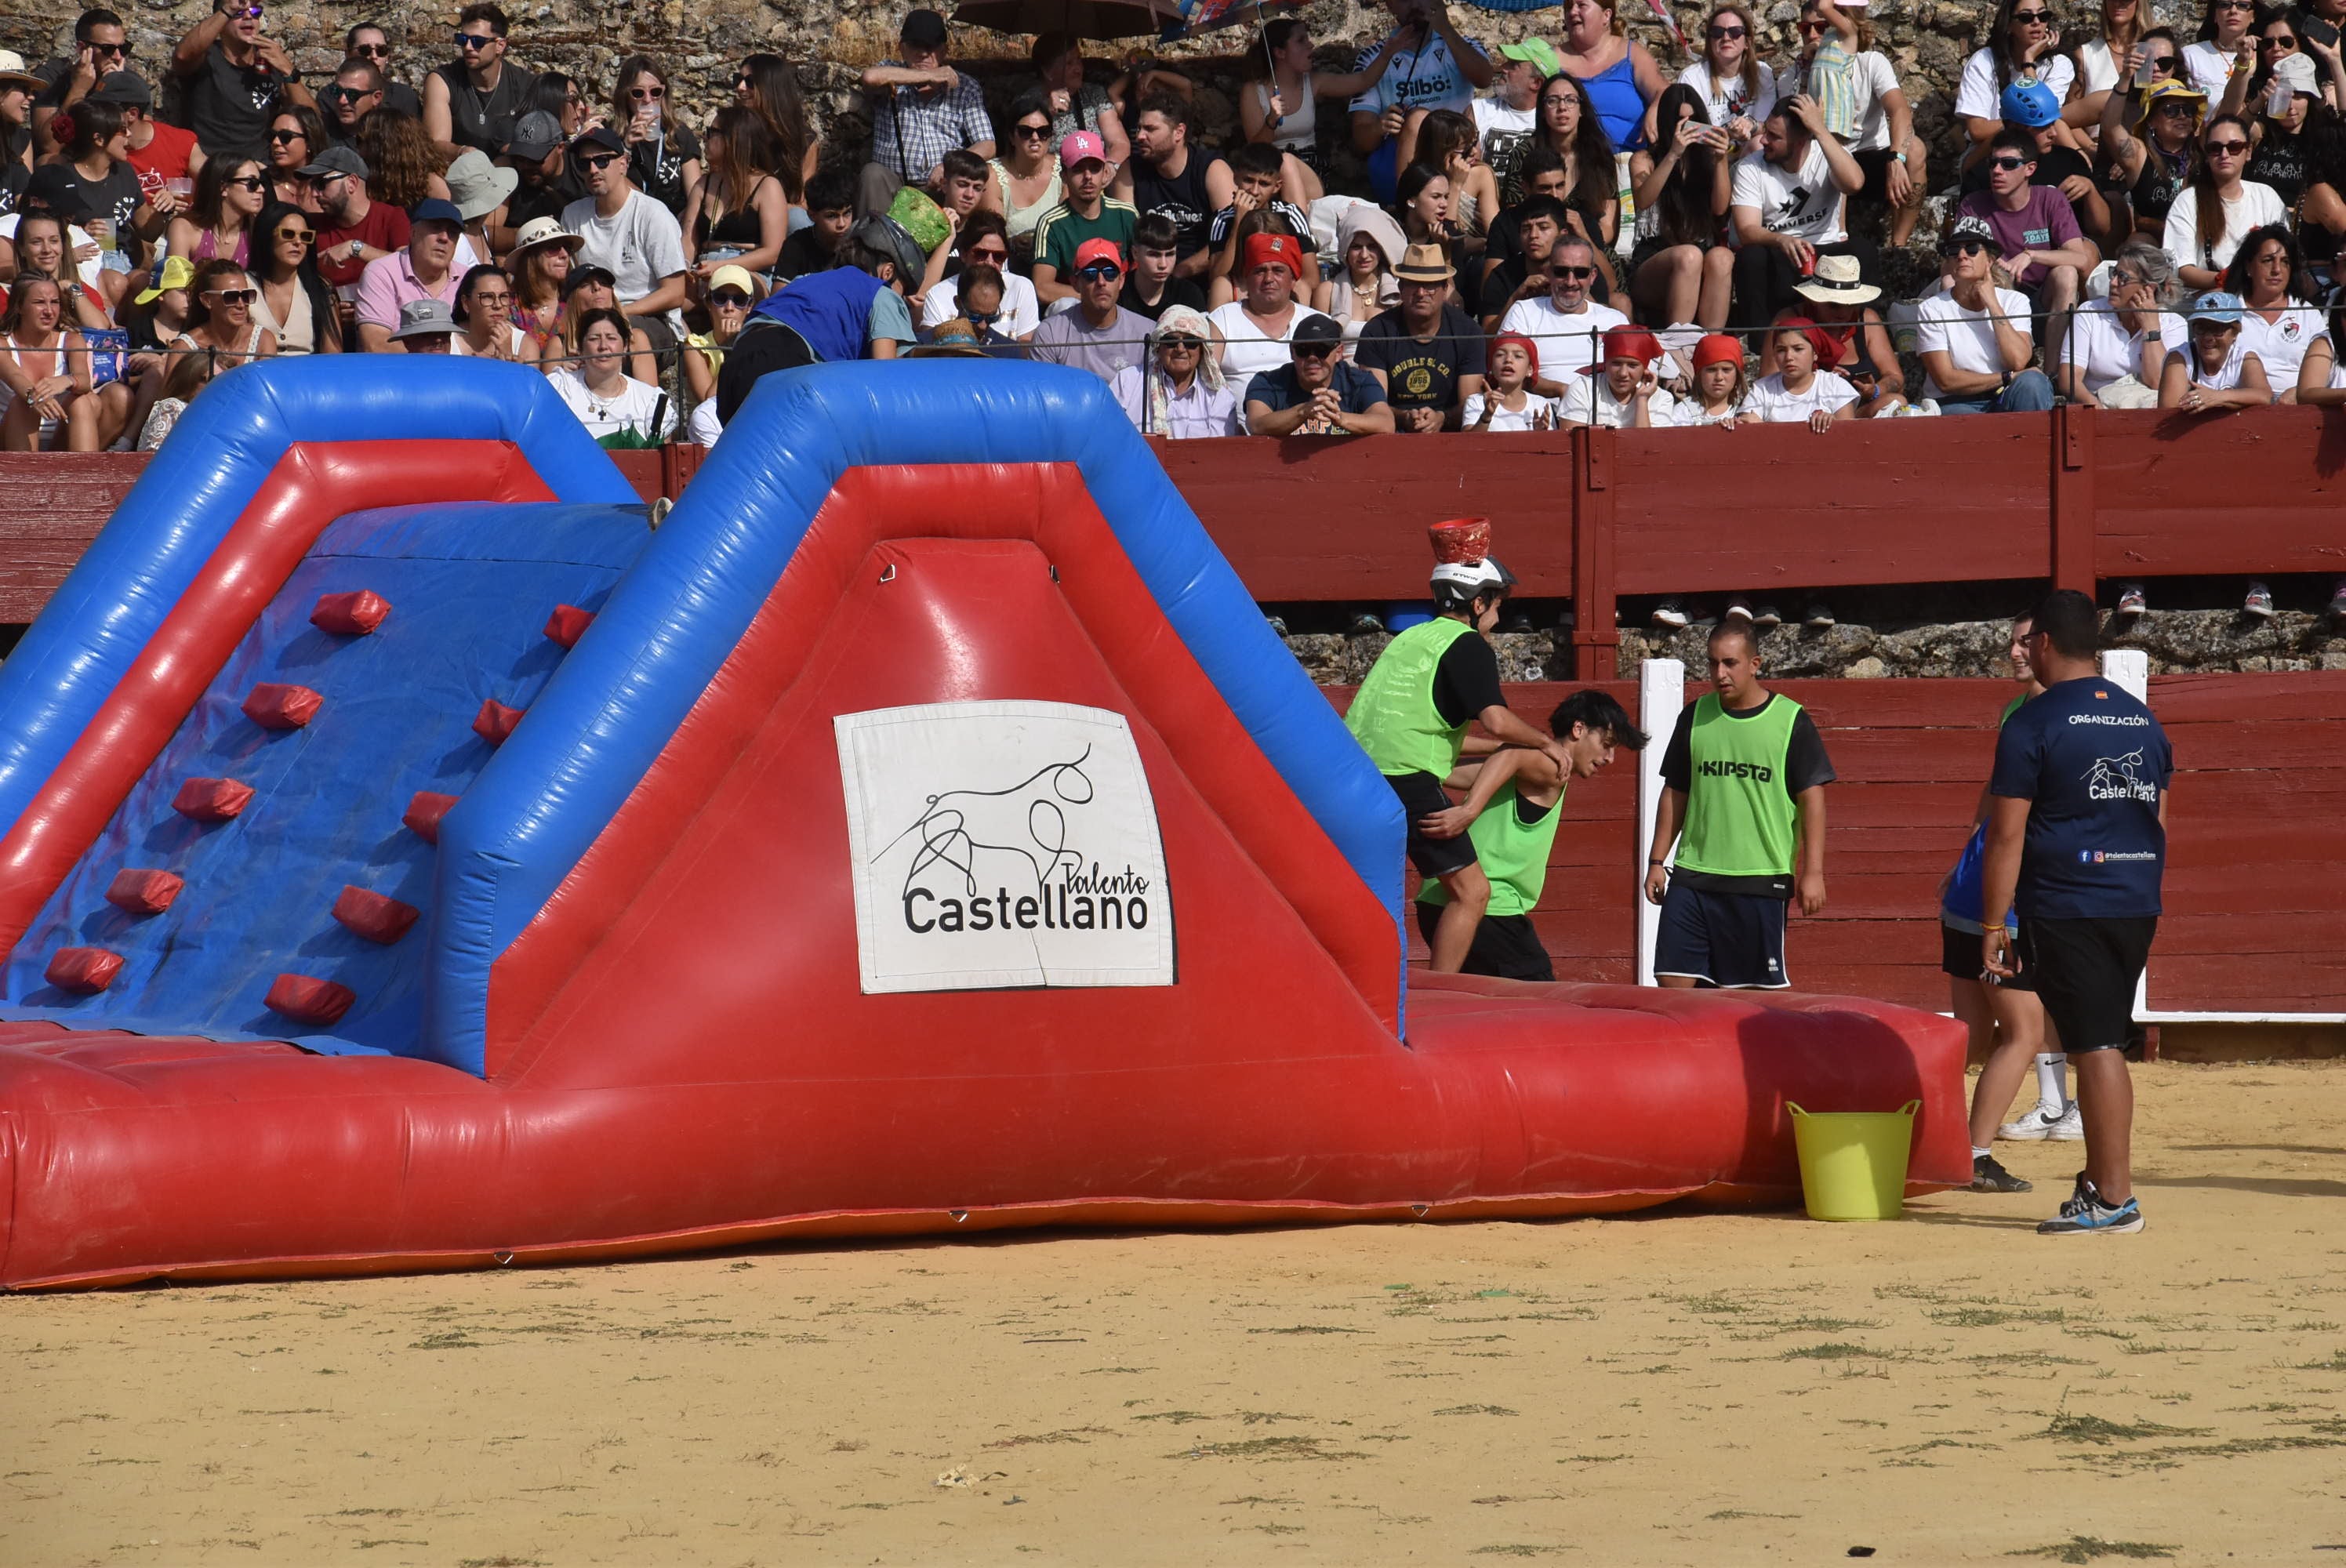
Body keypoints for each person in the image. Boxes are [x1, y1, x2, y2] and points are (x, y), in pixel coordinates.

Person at [1980, 588, 2171, 1235]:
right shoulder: (2141, 719)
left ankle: (2114, 1199)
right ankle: (2099, 1185)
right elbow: (2157, 819)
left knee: (2095, 1046)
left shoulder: (2032, 723)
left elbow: (2006, 835)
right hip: (2134, 898)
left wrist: (1993, 923)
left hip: (2069, 902)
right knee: (2102, 1038)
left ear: (2043, 643)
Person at [1344, 530, 1578, 973]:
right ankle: (1440, 994)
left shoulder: (1409, 639)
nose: (1499, 616)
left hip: (1353, 776)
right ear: (1478, 603)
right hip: (1404, 779)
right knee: (1473, 893)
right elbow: (1496, 720)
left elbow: (1420, 728)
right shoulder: (1467, 644)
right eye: (1498, 604)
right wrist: (1544, 740)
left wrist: (1502, 746)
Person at [1645, 621, 1836, 989]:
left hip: (1759, 881)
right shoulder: (1695, 716)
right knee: (1672, 986)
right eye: (1713, 663)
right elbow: (1675, 792)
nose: (1720, 673)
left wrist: (1813, 872)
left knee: (1750, 1001)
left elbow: (1812, 799)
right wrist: (1657, 861)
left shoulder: (1790, 721)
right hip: (1692, 876)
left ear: (1755, 664)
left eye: (1730, 663)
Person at [1943, 615, 2064, 1192]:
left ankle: (1930, 1136)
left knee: (1970, 1031)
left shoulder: (2018, 713)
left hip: (1973, 887)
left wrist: (1967, 856)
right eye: (2011, 642)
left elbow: (1994, 796)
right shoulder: (2045, 715)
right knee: (2024, 1032)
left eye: (2024, 642)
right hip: (2004, 897)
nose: (2014, 652)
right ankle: (1972, 1154)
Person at [1415, 689, 1648, 981]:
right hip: (1490, 911)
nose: (1610, 758)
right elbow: (1513, 754)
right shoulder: (1553, 767)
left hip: (1437, 902)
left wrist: (1508, 746)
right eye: (1607, 744)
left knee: (1469, 1001)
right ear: (1578, 729)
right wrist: (1470, 810)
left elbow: (1447, 771)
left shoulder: (1517, 766)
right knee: (1539, 998)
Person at [716, 214, 921, 420]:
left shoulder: (807, 280)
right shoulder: (883, 293)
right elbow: (882, 380)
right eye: (902, 291)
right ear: (888, 272)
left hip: (734, 367)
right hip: (783, 364)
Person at [1957, 124, 2101, 369]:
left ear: (2030, 169)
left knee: (2066, 273)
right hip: (1995, 298)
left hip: (2040, 301)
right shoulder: (1973, 204)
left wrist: (2031, 255)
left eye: (2008, 164)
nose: (1997, 171)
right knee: (1951, 279)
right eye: (1992, 163)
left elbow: (2080, 258)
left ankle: (2053, 374)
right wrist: (1996, 265)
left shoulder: (2050, 198)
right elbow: (1960, 257)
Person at [1729, 94, 1868, 334]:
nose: (1763, 140)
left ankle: (1860, 337)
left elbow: (1854, 184)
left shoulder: (1827, 154)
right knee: (1751, 257)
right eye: (1766, 131)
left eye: (1774, 136)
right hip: (1780, 249)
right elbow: (1746, 230)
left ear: (1801, 141)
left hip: (1825, 247)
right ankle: (1760, 341)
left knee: (1863, 250)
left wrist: (1819, 129)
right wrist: (1781, 239)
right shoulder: (1750, 167)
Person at [1346, 0, 1496, 202]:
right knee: (1418, 119)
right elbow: (1362, 140)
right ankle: (1409, 209)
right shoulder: (1374, 58)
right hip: (1401, 163)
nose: (1415, 4)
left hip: (1458, 158)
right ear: (1390, 6)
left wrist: (1447, 31)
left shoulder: (1464, 46)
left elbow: (1485, 79)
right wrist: (1380, 126)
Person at [1242, 17, 1406, 201]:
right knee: (1281, 163)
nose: (1311, 45)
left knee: (1287, 161)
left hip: (1309, 169)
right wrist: (1271, 121)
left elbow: (1363, 80)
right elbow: (1255, 149)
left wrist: (1387, 54)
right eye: (1301, 40)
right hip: (1267, 171)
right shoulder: (1253, 91)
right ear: (1280, 52)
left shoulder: (1313, 82)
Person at [561, 125, 688, 344]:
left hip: (649, 318)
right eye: (584, 163)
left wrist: (618, 312)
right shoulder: (572, 215)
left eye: (602, 161)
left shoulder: (653, 214)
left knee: (616, 336)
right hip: (591, 318)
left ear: (623, 163)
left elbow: (676, 293)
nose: (593, 170)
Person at [1916, 214, 2054, 414]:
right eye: (1954, 250)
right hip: (1955, 402)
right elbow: (1945, 380)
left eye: (1972, 249)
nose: (1962, 255)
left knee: (2033, 383)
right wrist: (2006, 377)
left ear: (1990, 260)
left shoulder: (2015, 301)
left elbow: (2017, 361)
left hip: (2005, 395)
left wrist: (1992, 304)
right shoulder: (1932, 308)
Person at [1628, 85, 1734, 330]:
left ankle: (1712, 344)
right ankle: (1679, 344)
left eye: (1693, 120)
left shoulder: (1706, 161)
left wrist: (1720, 160)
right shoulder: (1644, 159)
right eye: (1680, 121)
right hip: (1653, 258)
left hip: (1699, 249)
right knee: (1689, 256)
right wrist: (1673, 155)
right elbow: (1643, 200)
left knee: (1722, 257)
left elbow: (1719, 210)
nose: (1688, 127)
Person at [862, 8, 994, 201]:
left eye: (931, 47)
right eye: (916, 46)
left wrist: (950, 166)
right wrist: (927, 76)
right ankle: (875, 223)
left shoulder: (965, 87)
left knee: (983, 175)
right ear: (902, 48)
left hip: (943, 183)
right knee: (872, 173)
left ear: (943, 51)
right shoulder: (891, 74)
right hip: (895, 183)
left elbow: (987, 144)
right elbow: (869, 77)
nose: (923, 53)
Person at [1355, 242, 1484, 431]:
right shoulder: (1376, 331)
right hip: (1391, 434)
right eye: (1413, 284)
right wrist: (1405, 418)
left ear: (1445, 288)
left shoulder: (1468, 332)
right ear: (1401, 287)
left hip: (1452, 434)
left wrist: (1443, 418)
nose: (1421, 293)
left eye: (1430, 285)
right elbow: (1374, 403)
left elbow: (1470, 406)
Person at [1966, 82, 2110, 245]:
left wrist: (2090, 191)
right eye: (2042, 127)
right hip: (2006, 255)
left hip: (2064, 252)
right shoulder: (1984, 175)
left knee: (2087, 250)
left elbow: (2102, 229)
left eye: (2053, 124)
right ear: (2015, 127)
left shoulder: (2070, 161)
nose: (2053, 133)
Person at [171, 0, 314, 159]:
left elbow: (313, 123)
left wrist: (288, 70)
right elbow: (182, 56)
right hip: (214, 166)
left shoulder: (270, 61)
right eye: (238, 13)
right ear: (221, 20)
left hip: (263, 168)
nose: (248, 17)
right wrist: (228, 9)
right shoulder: (206, 58)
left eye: (255, 12)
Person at [2058, 238, 2185, 408]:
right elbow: (2069, 379)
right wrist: (2096, 408)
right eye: (2114, 273)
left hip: (2146, 409)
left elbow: (2158, 383)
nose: (2113, 282)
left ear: (2149, 288)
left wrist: (2150, 328)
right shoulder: (2090, 313)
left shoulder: (2174, 324)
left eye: (2123, 278)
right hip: (2096, 403)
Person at [2167, 111, 2286, 286]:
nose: (2224, 154)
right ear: (2207, 155)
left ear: (2248, 152)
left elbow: (2284, 256)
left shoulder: (2266, 196)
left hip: (2262, 291)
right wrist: (2226, 280)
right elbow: (2181, 268)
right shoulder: (2188, 201)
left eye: (2234, 147)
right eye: (2215, 148)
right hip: (2209, 292)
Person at [1113, 95, 1229, 276]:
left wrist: (1180, 272)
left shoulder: (1212, 169)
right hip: (1147, 275)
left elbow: (1230, 237)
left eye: (1150, 129)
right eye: (1139, 128)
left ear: (1179, 132)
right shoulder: (1130, 170)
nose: (1140, 136)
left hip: (1203, 277)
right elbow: (1126, 234)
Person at [1956, 0, 2079, 169]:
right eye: (2026, 17)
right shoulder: (1984, 60)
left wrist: (2029, 61)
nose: (2037, 22)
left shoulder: (2059, 64)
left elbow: (2041, 117)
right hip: (1989, 154)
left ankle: (2085, 168)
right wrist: (2021, 123)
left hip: (2039, 151)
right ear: (2009, 25)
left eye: (2043, 16)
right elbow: (1978, 131)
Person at [1497, 232, 1626, 380]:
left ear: (1593, 276)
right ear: (1549, 273)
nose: (1570, 282)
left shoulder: (1615, 321)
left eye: (1581, 273)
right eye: (1561, 272)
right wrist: (1561, 390)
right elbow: (1507, 374)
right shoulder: (1523, 312)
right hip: (1540, 397)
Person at [1030, 132, 1137, 307]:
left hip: (1122, 306)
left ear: (1105, 172)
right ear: (1064, 176)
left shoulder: (1126, 214)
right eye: (1078, 169)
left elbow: (1144, 270)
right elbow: (1043, 288)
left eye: (1094, 168)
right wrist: (1096, 296)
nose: (1088, 176)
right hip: (1075, 309)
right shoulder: (1051, 224)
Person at [1244, 311, 1395, 434]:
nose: (1312, 358)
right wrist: (1304, 411)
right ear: (1292, 352)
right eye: (1303, 350)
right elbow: (1256, 424)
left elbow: (1386, 423)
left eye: (1322, 350)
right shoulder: (1267, 382)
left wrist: (1340, 418)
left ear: (1339, 353)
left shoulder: (1360, 381)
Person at [685, 105, 788, 285]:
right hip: (705, 267)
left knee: (729, 286)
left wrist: (721, 266)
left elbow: (773, 252)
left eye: (711, 132)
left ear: (732, 139)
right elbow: (688, 239)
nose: (704, 138)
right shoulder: (704, 184)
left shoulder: (767, 186)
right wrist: (684, 268)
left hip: (748, 272)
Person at [1202, 142, 1314, 305]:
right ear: (1235, 178)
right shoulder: (1222, 219)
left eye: (1264, 184)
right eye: (1248, 180)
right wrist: (1239, 223)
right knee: (1221, 286)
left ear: (1277, 186)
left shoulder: (1290, 214)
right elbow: (1217, 277)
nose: (1254, 191)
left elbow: (1311, 278)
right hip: (1242, 293)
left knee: (1302, 287)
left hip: (1283, 293)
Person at [1028, 237, 1149, 382]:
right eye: (1090, 274)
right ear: (1075, 283)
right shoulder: (1050, 334)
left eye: (1110, 273)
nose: (1101, 282)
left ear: (1121, 280)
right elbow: (1044, 390)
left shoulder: (1147, 334)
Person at [2101, 74, 2203, 247]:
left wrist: (2241, 70)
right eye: (2171, 110)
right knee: (2137, 244)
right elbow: (2110, 127)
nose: (2182, 116)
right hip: (2155, 242)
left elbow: (2230, 113)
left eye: (2188, 110)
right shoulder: (2140, 154)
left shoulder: (2205, 148)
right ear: (2151, 120)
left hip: (2200, 239)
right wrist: (2125, 79)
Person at [0, 274, 99, 451]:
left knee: (82, 401)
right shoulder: (3, 343)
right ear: (19, 307)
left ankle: (84, 467)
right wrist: (37, 396)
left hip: (59, 434)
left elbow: (85, 381)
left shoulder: (71, 340)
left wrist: (67, 380)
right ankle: (25, 468)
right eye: (39, 303)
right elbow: (15, 377)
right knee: (24, 402)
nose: (49, 311)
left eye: (54, 302)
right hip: (10, 433)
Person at [425, 2, 536, 159]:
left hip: (509, 167)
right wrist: (461, 151)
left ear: (500, 46)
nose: (468, 47)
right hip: (460, 167)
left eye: (478, 41)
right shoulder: (444, 80)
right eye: (463, 39)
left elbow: (533, 142)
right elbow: (436, 143)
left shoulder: (524, 84)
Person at [547, 305, 673, 441]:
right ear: (581, 348)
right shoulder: (560, 388)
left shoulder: (650, 401)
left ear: (625, 346)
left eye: (611, 338)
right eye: (594, 338)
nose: (603, 346)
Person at [1554, 0, 1667, 153]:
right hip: (1575, 160)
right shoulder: (1552, 59)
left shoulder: (1632, 54)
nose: (1572, 12)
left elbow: (1663, 91)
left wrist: (1656, 108)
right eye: (1568, 7)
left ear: (1606, 15)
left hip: (1630, 160)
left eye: (1581, 5)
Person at [1109, 303, 1239, 437]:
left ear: (1202, 349)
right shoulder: (1127, 382)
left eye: (1190, 342)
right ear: (1158, 346)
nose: (1180, 349)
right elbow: (1108, 432)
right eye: (1171, 341)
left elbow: (1220, 447)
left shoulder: (1218, 396)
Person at [92, 72, 201, 228]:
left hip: (181, 230)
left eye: (105, 110)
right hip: (125, 235)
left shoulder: (180, 142)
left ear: (132, 114)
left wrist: (189, 204)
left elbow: (218, 185)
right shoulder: (98, 149)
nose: (96, 115)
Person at [354, 197, 463, 351]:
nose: (444, 238)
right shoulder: (381, 273)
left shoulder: (468, 278)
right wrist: (431, 357)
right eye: (435, 228)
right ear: (413, 233)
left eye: (453, 233)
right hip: (397, 367)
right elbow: (376, 345)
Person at [2227, 222, 2322, 398]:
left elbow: (2328, 369)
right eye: (2268, 260)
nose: (2277, 269)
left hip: (2298, 405)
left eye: (2285, 262)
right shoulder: (2227, 311)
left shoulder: (2309, 315)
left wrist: (2298, 393)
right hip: (2240, 403)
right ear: (2248, 267)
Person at [1208, 231, 1312, 384]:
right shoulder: (1223, 319)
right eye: (1259, 271)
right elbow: (1207, 377)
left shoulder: (1313, 322)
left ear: (1293, 280)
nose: (1268, 279)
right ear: (1247, 278)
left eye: (1278, 271)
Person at [28, 9, 129, 158]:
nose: (118, 56)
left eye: (123, 48)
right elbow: (49, 146)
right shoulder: (53, 76)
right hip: (68, 160)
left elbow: (134, 143)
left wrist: (114, 89)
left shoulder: (131, 82)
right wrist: (78, 91)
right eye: (108, 49)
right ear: (82, 48)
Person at [980, 89, 1063, 270]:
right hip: (1008, 264)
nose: (1035, 138)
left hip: (1057, 262)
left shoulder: (1064, 171)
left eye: (1043, 132)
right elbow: (994, 233)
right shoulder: (993, 175)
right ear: (1011, 136)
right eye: (1026, 132)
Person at [611, 55, 699, 222]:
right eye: (638, 93)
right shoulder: (612, 137)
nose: (648, 99)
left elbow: (696, 196)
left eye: (655, 91)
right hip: (630, 224)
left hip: (674, 223)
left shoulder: (679, 134)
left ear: (664, 94)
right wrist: (626, 146)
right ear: (625, 96)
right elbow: (609, 184)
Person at [921, 212, 1037, 336]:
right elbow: (932, 345)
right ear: (963, 254)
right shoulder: (938, 295)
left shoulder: (1022, 288)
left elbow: (1026, 345)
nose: (990, 262)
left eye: (998, 256)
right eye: (981, 254)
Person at [2158, 285, 2274, 411]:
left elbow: (2265, 397)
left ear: (2235, 333)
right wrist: (2235, 401)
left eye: (2218, 329)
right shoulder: (2178, 358)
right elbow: (2169, 409)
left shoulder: (2245, 358)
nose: (2208, 337)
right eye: (2201, 328)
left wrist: (2218, 397)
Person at [248, 200, 340, 354]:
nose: (298, 242)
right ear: (267, 236)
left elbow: (332, 355)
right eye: (288, 234)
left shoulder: (320, 287)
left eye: (305, 236)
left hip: (307, 369)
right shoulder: (242, 285)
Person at [1030, 31, 1129, 172]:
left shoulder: (1094, 94)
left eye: (1078, 60)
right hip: (1053, 175)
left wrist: (1110, 167)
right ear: (1047, 71)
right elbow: (1023, 147)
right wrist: (1047, 111)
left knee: (1123, 170)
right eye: (1069, 63)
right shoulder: (1030, 101)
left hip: (1096, 173)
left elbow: (1119, 143)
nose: (1078, 69)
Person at [1677, 4, 1776, 145]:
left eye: (1735, 32)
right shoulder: (1691, 78)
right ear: (1710, 41)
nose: (1726, 38)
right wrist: (1727, 134)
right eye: (1717, 32)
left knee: (1757, 144)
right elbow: (1687, 131)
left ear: (1747, 42)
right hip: (1710, 152)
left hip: (1753, 153)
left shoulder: (1763, 73)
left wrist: (1751, 126)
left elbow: (1769, 127)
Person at [1743, 317, 1860, 429]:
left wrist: (1833, 423)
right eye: (1781, 350)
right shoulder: (1762, 389)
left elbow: (1848, 434)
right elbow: (1747, 425)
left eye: (1798, 349)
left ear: (1815, 353)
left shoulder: (1835, 386)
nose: (1789, 357)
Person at [1475, 39, 1554, 197]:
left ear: (1536, 83)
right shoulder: (1479, 110)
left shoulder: (1551, 121)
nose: (1503, 68)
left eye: (1513, 65)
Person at [1558, 321, 1675, 427]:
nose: (1623, 373)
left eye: (1632, 365)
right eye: (1616, 364)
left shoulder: (1662, 399)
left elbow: (1648, 444)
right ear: (1605, 364)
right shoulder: (1583, 388)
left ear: (1645, 369)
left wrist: (1642, 400)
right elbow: (1573, 441)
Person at [173, 256, 279, 365]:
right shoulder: (184, 348)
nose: (241, 305)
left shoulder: (263, 340)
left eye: (246, 295)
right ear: (207, 300)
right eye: (231, 297)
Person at [1326, 205, 1407, 335]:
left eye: (1372, 247)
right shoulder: (1327, 291)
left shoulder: (1400, 290)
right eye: (1356, 247)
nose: (1364, 255)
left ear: (1381, 249)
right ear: (1346, 250)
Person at [507, 213, 579, 356]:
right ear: (531, 257)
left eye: (567, 247)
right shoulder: (508, 306)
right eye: (553, 247)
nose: (564, 254)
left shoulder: (576, 300)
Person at [1461, 330, 1560, 429]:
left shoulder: (1540, 404)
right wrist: (1486, 417)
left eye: (1518, 356)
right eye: (1500, 355)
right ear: (1491, 366)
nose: (1508, 360)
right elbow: (1469, 439)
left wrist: (1539, 434)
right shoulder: (1476, 402)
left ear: (1529, 369)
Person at [496, 111, 574, 236]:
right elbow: (487, 233)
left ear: (560, 148)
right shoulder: (510, 173)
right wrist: (532, 234)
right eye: (520, 158)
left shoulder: (584, 169)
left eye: (535, 158)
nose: (526, 166)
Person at [776, 164, 856, 281]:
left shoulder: (860, 246)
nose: (842, 224)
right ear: (812, 215)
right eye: (831, 216)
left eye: (847, 213)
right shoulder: (796, 245)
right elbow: (780, 292)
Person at [2181, 0, 2261, 107]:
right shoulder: (2191, 55)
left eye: (2243, 5)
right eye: (2224, 5)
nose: (2233, 11)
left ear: (2253, 16)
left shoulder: (2263, 56)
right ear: (2214, 15)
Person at [343, 22, 424, 118]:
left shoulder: (404, 97)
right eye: (365, 50)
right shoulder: (332, 97)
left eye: (381, 50)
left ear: (387, 56)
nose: (374, 56)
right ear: (348, 54)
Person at [451, 261, 528, 359]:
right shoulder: (446, 342)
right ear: (466, 303)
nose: (498, 305)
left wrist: (507, 355)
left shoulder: (524, 345)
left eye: (503, 296)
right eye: (487, 297)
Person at [1672, 330, 1748, 425]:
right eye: (1711, 370)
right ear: (1699, 373)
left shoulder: (1746, 410)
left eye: (1726, 370)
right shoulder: (1682, 413)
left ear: (1737, 373)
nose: (1719, 377)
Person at [320, 56, 390, 151]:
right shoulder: (320, 134)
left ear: (376, 98)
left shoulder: (393, 138)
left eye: (352, 94)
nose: (342, 101)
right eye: (337, 91)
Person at [387, 293, 457, 352]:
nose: (438, 340)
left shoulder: (462, 364)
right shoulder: (394, 365)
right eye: (428, 334)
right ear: (407, 341)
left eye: (444, 333)